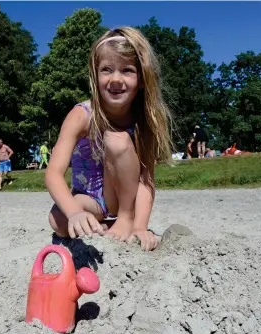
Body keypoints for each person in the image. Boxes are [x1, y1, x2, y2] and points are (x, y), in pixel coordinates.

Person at [44, 27, 173, 251]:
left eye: (127, 70)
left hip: (122, 199)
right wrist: (74, 213)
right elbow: (54, 173)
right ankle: (106, 224)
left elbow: (146, 180)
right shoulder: (81, 115)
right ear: (95, 75)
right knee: (57, 220)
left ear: (142, 78)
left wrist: (140, 226)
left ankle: (124, 219)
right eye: (106, 70)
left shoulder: (144, 120)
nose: (115, 79)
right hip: (90, 200)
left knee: (117, 140)